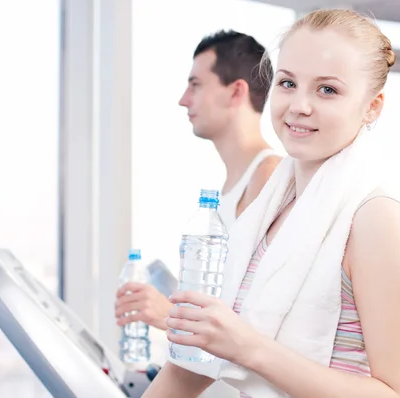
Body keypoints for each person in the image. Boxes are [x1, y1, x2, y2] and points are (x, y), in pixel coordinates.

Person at [142, 8, 400, 398]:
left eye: (327, 89)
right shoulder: (271, 213)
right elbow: (195, 364)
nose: (299, 105)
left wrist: (250, 349)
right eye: (288, 83)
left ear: (372, 107)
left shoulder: (377, 220)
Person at [115, 30, 280, 397]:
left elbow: (265, 322)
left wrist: (169, 316)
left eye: (195, 84)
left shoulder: (269, 178)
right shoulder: (225, 194)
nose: (183, 99)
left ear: (236, 91)